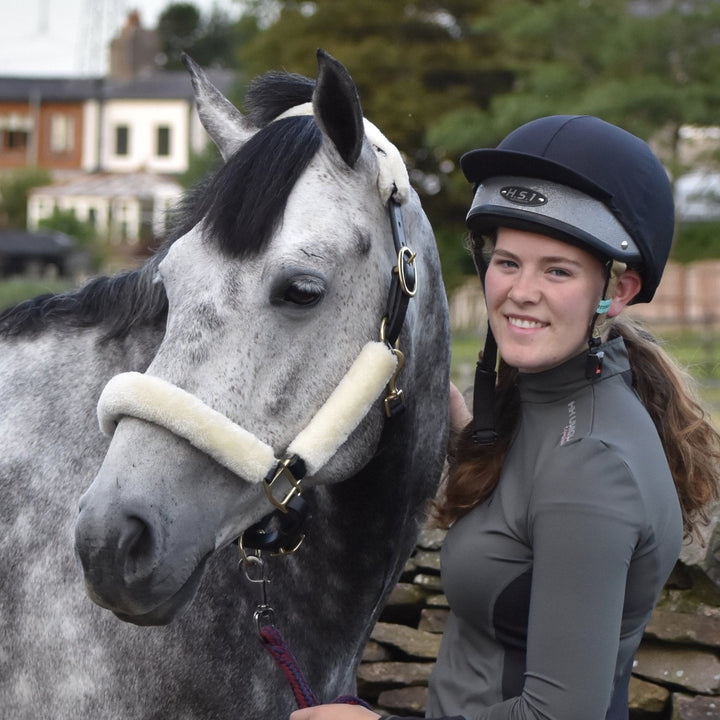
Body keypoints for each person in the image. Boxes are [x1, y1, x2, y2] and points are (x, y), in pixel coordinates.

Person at [290, 115, 720, 720]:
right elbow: (529, 510)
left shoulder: (591, 469)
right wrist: (463, 433)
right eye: (508, 261)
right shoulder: (550, 404)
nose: (521, 291)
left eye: (558, 270)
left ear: (617, 291)